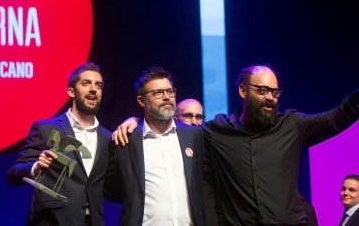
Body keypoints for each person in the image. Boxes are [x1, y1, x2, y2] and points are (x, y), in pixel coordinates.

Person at [113, 64, 359, 225]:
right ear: (243, 91)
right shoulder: (216, 132)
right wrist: (136, 119)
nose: (270, 98)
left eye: (275, 92)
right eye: (262, 90)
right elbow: (169, 126)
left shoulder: (292, 125)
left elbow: (337, 117)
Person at [7, 62, 112, 226]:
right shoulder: (45, 129)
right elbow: (13, 174)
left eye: (98, 85)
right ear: (71, 91)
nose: (93, 89)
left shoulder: (107, 138)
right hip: (52, 221)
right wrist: (36, 167)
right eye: (86, 83)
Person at [106, 67, 205, 226]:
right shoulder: (125, 141)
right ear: (141, 100)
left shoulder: (194, 136)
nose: (166, 97)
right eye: (158, 93)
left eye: (170, 91)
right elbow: (111, 190)